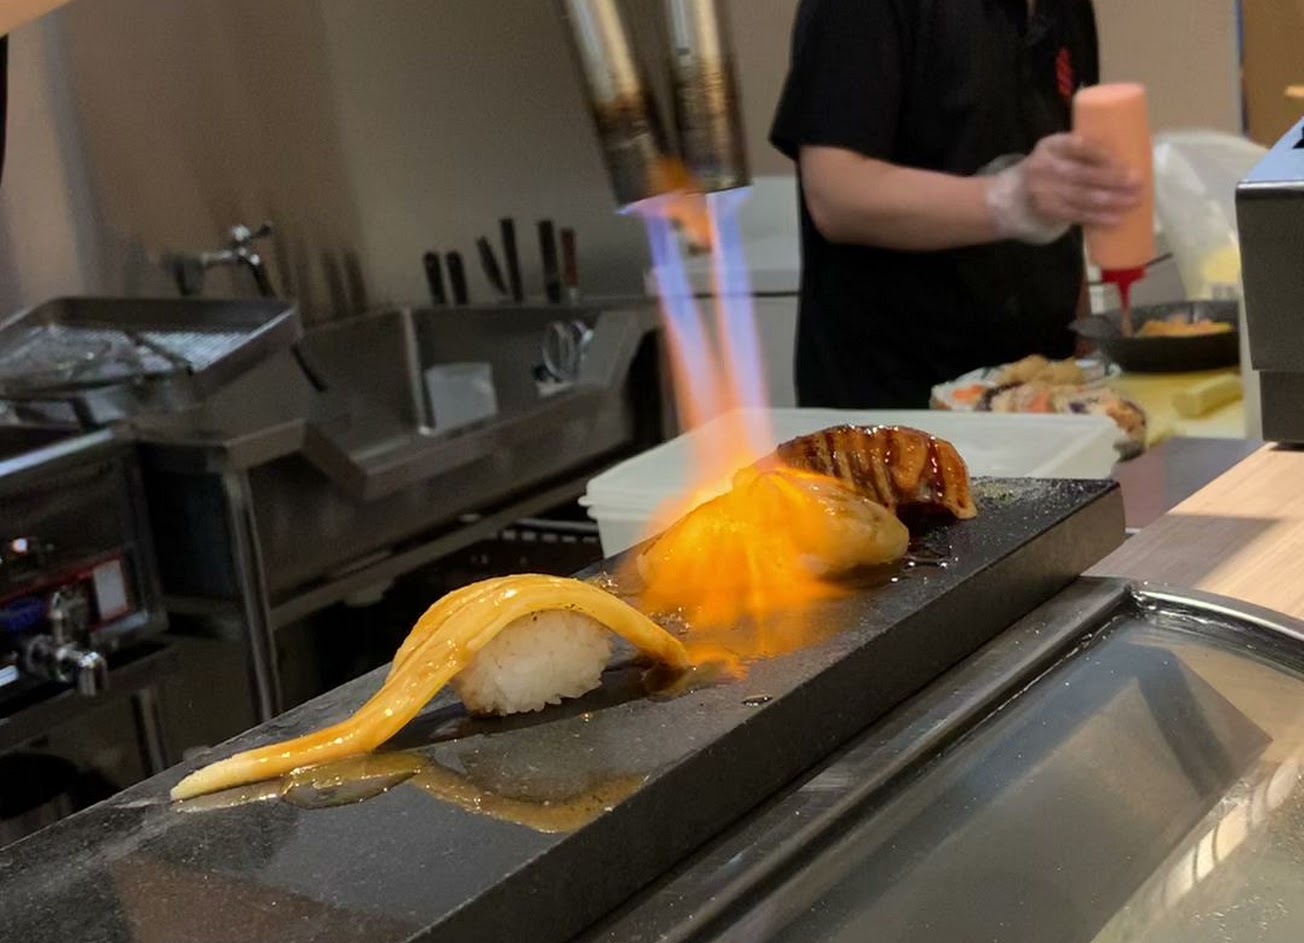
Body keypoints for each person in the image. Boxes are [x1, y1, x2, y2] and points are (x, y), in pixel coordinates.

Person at [770, 0, 1143, 408]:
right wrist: (1006, 201)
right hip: (896, 407)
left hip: (1037, 396)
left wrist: (1084, 348)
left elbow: (1062, 190)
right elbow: (836, 192)